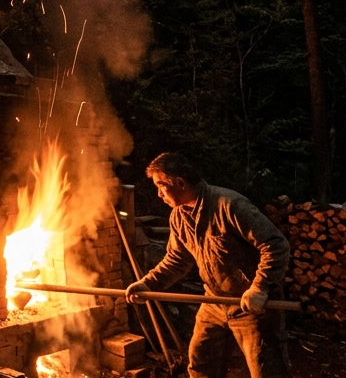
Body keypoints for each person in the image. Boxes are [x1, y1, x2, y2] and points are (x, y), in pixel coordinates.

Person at [125, 152, 291, 378]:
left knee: (266, 370)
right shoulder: (179, 216)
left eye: (161, 186)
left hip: (251, 305)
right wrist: (148, 284)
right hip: (213, 301)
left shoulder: (229, 206)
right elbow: (177, 260)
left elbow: (276, 244)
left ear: (180, 183)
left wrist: (260, 288)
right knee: (201, 364)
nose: (158, 194)